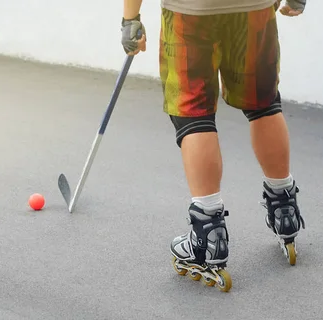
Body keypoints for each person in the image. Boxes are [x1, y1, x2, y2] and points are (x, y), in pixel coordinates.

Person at [121, 0, 306, 291]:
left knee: (192, 113)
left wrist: (130, 19)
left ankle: (208, 234)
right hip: (253, 8)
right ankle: (285, 208)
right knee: (264, 103)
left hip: (191, 11)